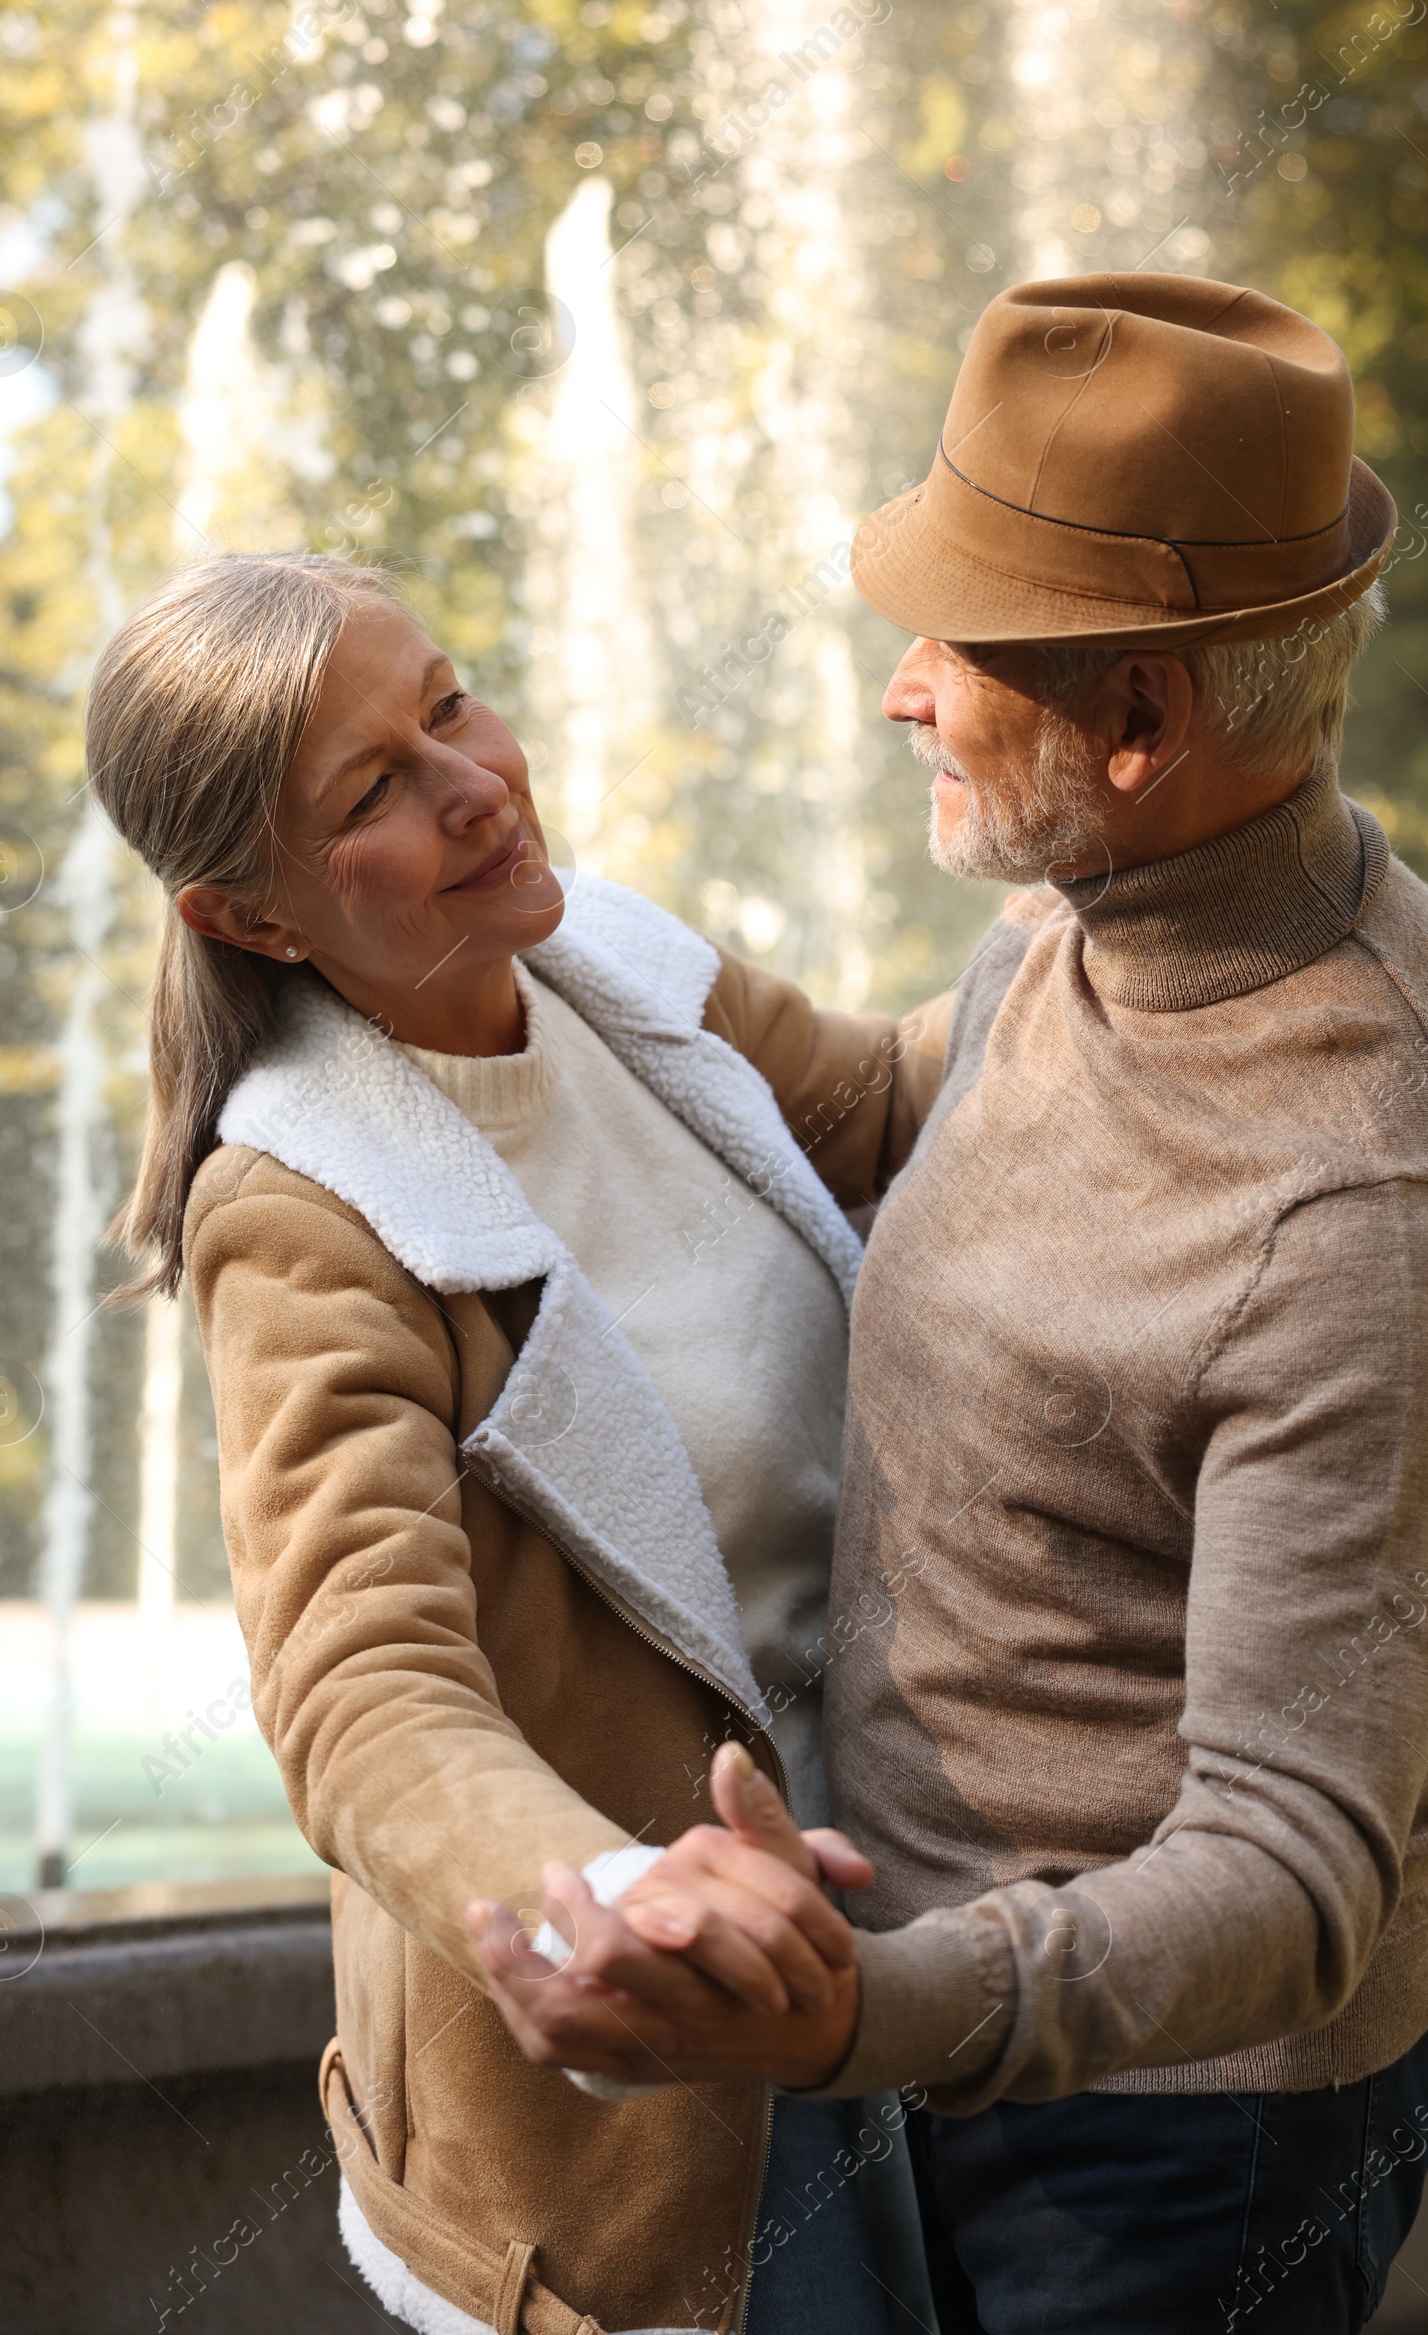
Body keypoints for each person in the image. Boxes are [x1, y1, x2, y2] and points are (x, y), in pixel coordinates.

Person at [473, 274, 1428, 2335]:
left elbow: (1287, 1869)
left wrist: (849, 2017)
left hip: (1176, 2140)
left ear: (1137, 722)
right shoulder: (1108, 917)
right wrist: (561, 935)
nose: (896, 693)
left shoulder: (1354, 1199)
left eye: (951, 651)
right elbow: (901, 1105)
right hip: (958, 2044)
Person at [85, 551, 949, 2335]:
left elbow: (879, 1103)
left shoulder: (610, 959)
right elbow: (361, 1686)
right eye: (374, 789)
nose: (475, 782)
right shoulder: (306, 1210)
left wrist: (1130, 895)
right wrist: (606, 1895)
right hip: (659, 2076)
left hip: (911, 1924)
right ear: (245, 917)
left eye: (452, 703)